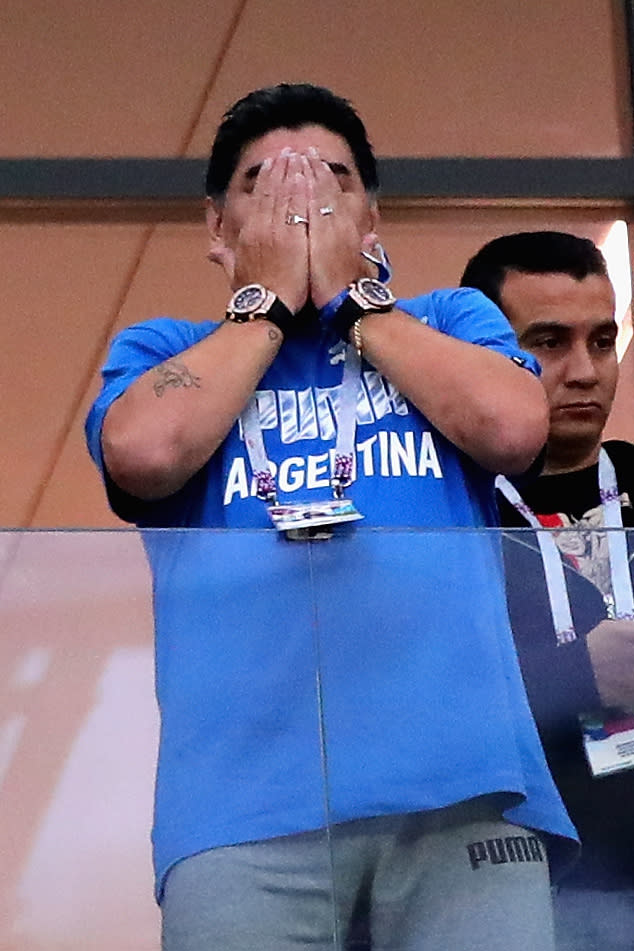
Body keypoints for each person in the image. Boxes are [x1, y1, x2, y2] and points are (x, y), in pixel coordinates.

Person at [86, 85, 577, 951]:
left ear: (372, 214)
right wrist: (267, 305)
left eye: (331, 180)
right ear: (216, 225)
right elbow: (143, 452)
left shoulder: (451, 322)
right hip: (240, 816)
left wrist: (360, 304)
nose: (302, 203)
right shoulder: (163, 351)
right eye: (267, 184)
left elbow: (513, 427)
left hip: (466, 794)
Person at [461, 229, 634, 951]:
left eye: (603, 341)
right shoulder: (446, 515)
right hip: (517, 883)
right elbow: (411, 701)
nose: (585, 371)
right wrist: (576, 672)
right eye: (549, 342)